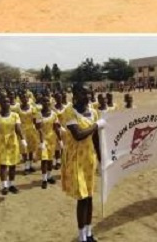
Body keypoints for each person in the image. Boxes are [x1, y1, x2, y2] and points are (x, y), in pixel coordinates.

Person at [61, 85, 104, 242]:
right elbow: (78, 135)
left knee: (90, 197)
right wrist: (96, 125)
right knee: (82, 198)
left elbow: (95, 138)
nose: (88, 95)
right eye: (84, 92)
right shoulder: (69, 112)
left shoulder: (93, 111)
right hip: (75, 159)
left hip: (89, 158)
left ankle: (89, 232)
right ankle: (81, 237)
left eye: (89, 92)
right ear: (76, 94)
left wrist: (101, 158)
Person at [0, 93, 27, 194]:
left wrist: (23, 140)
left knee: (13, 165)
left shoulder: (15, 115)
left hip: (12, 142)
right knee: (3, 164)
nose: (6, 103)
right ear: (0, 103)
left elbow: (18, 128)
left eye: (8, 102)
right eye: (4, 102)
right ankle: (4, 186)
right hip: (1, 142)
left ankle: (12, 185)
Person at [35, 94, 62, 188]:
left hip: (52, 139)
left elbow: (56, 128)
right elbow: (38, 129)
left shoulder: (54, 114)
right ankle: (44, 179)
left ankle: (50, 176)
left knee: (50, 159)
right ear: (41, 102)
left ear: (49, 102)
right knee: (44, 159)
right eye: (44, 101)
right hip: (42, 139)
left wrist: (60, 140)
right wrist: (42, 142)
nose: (46, 103)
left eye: (47, 101)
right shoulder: (38, 114)